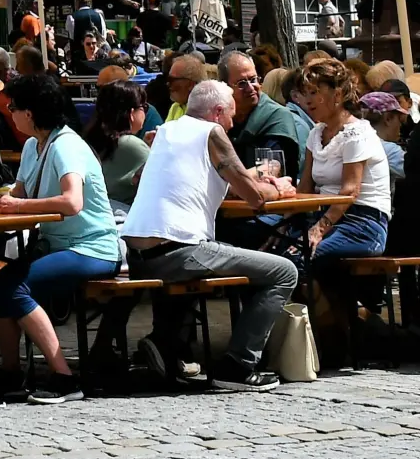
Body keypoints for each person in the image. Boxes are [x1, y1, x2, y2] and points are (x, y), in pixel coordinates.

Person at [119, 79, 296, 391]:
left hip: (138, 254)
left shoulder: (167, 131)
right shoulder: (212, 133)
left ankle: (163, 343)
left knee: (218, 253)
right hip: (178, 252)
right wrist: (277, 187)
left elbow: (160, 177)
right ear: (217, 113)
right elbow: (254, 197)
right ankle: (239, 364)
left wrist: (253, 177)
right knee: (284, 271)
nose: (232, 122)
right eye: (230, 115)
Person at [0, 74, 120, 404]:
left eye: (13, 107)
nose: (9, 113)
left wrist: (18, 204)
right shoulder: (34, 145)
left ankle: (63, 378)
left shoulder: (67, 146)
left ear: (29, 113)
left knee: (12, 287)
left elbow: (73, 201)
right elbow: (19, 193)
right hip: (59, 245)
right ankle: (12, 374)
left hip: (92, 247)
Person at [295, 59, 392, 365]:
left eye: (314, 91)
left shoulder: (357, 133)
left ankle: (335, 343)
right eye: (303, 92)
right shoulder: (316, 134)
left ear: (337, 94)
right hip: (325, 216)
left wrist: (318, 229)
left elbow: (351, 191)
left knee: (298, 263)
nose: (307, 100)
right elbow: (305, 189)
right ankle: (354, 328)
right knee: (277, 256)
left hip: (364, 222)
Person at [219, 50, 306, 181]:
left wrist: (228, 184)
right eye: (242, 83)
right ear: (225, 87)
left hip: (269, 195)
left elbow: (273, 166)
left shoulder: (276, 116)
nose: (251, 87)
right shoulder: (218, 117)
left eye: (253, 80)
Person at [84, 79, 151, 211]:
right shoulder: (131, 145)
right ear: (132, 113)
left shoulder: (91, 139)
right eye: (144, 107)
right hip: (123, 215)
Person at [361, 92, 407, 181]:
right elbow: (414, 170)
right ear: (388, 119)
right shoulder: (389, 150)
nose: (400, 125)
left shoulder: (348, 140)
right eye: (399, 119)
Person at [163, 53, 206, 122]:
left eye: (172, 80)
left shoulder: (205, 112)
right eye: (168, 79)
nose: (168, 84)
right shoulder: (175, 107)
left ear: (190, 84)